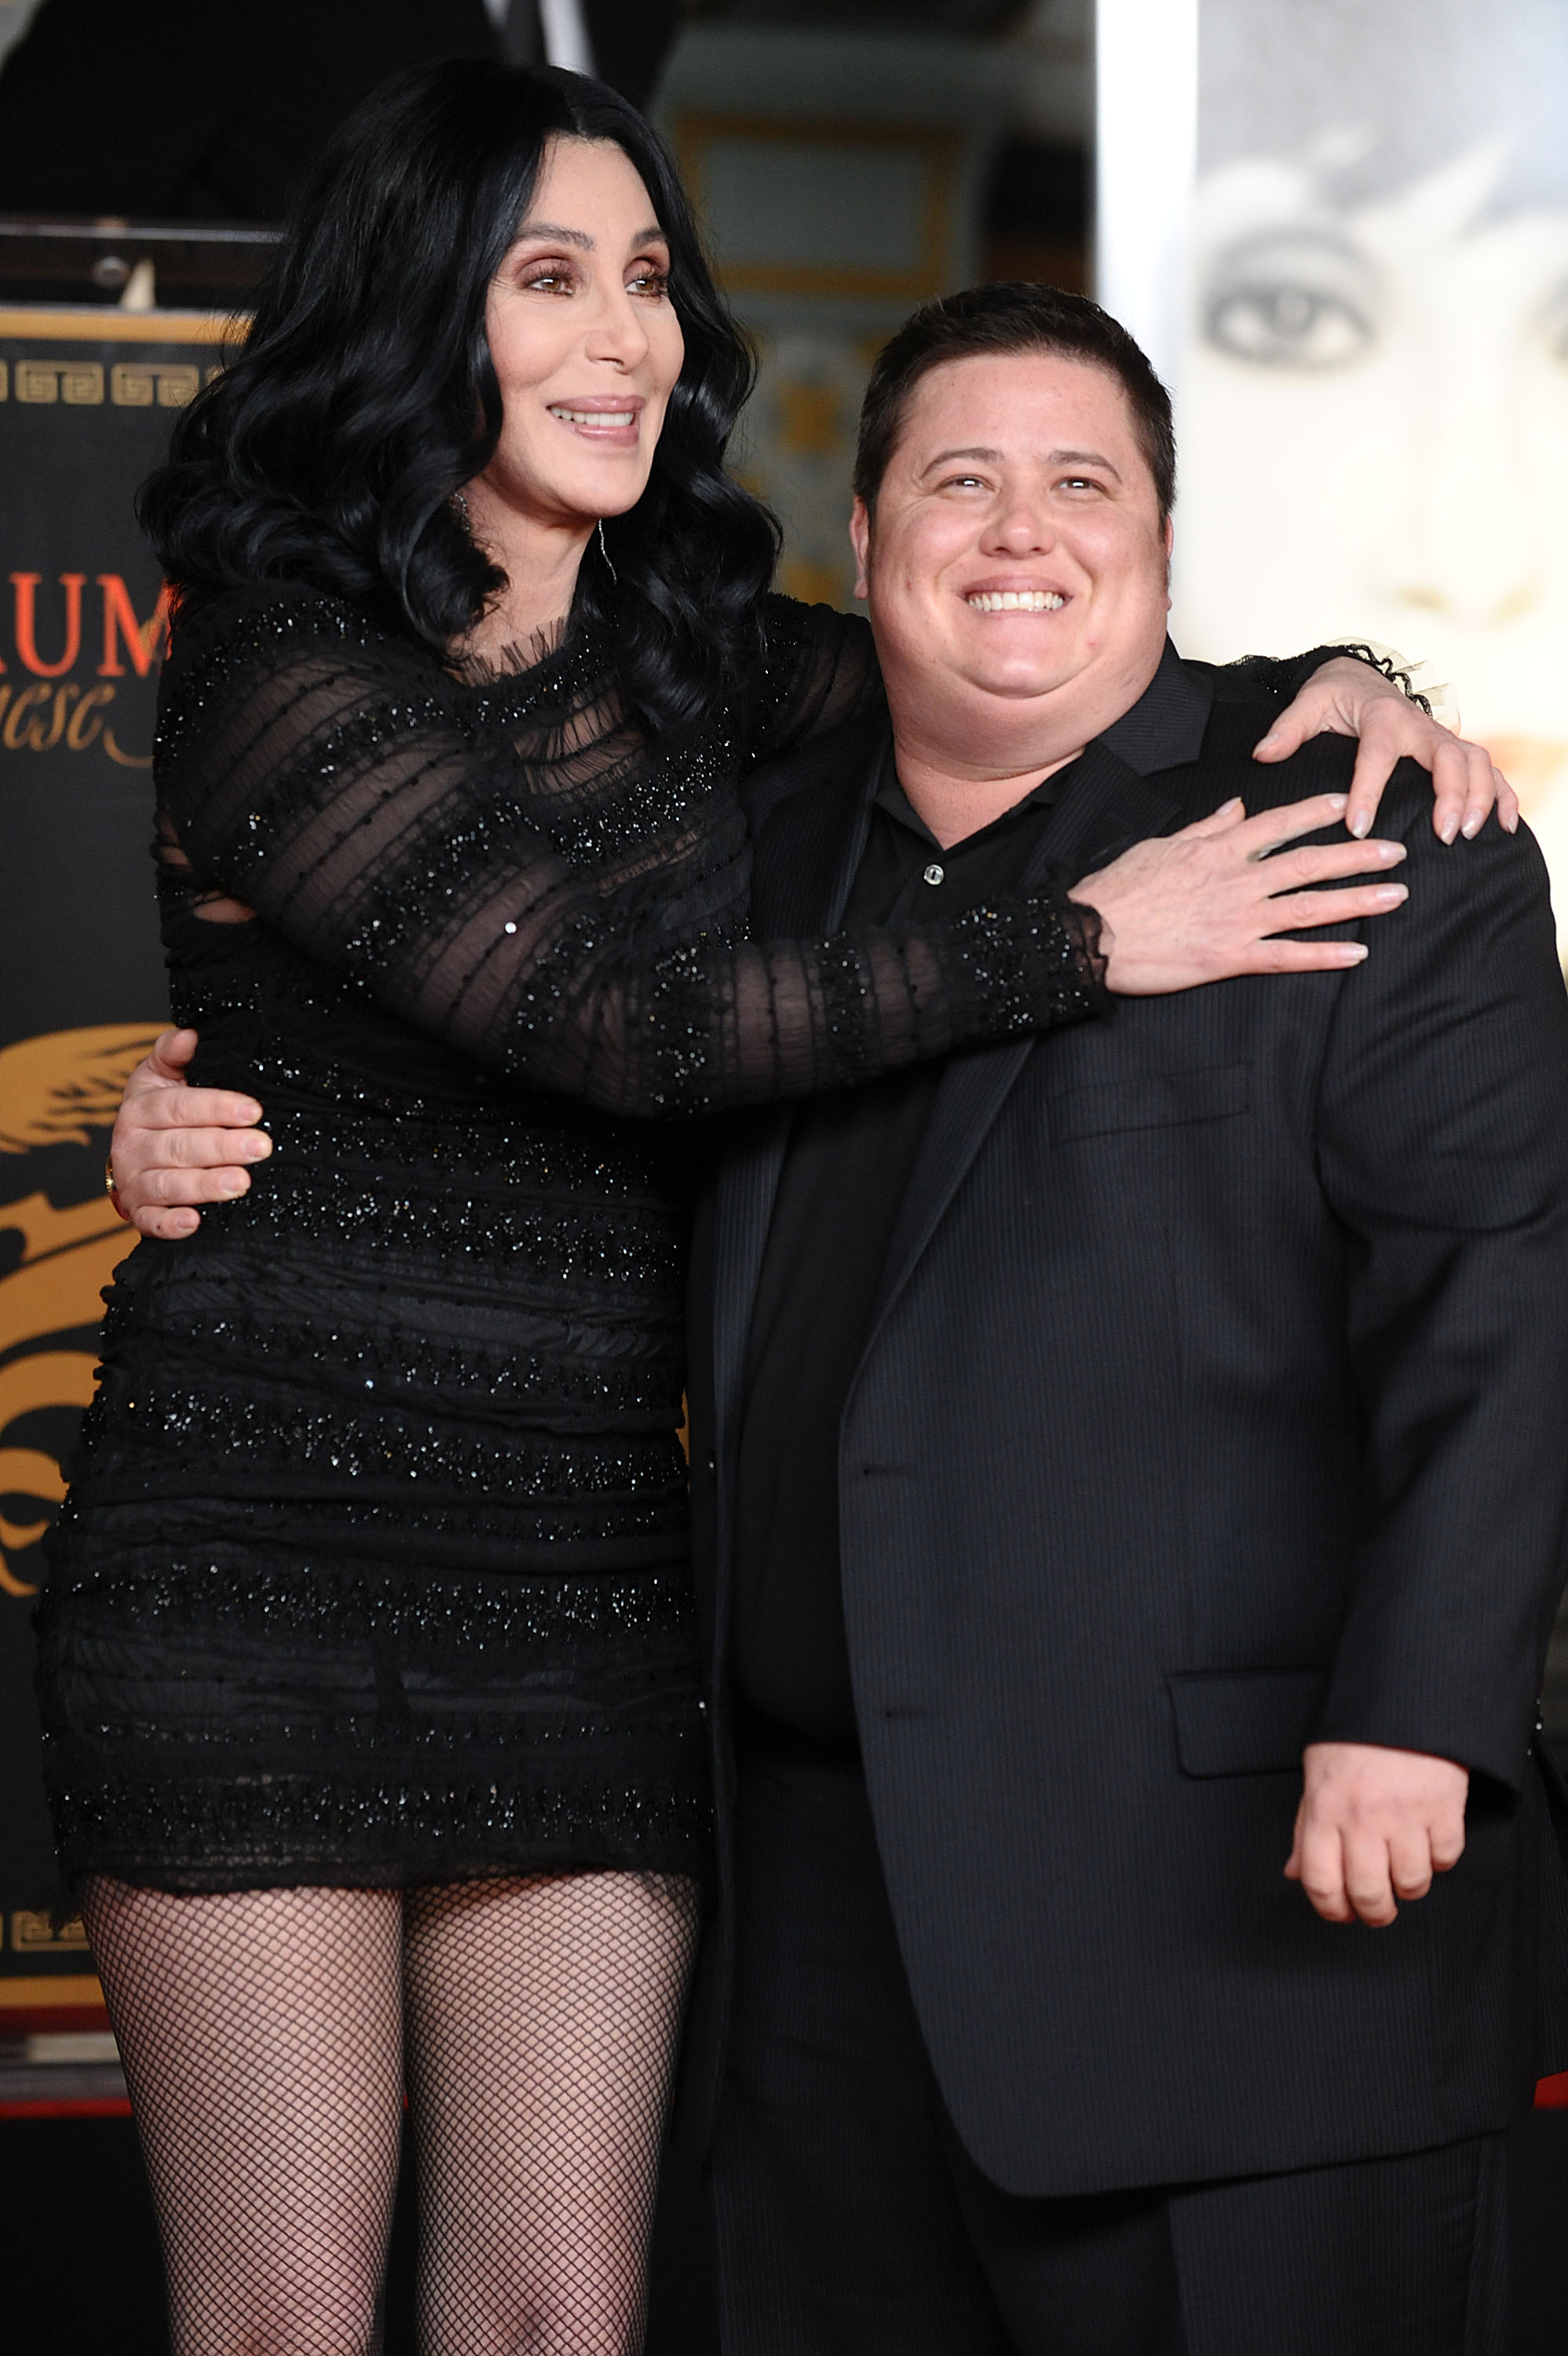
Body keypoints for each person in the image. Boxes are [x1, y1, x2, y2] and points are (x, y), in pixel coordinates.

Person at [35, 60, 1464, 2356]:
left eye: (650, 280)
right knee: (287, 2320)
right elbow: (618, 1018)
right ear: (417, 311)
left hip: (594, 1585)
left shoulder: (707, 661)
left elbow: (1027, 663)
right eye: (548, 279)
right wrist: (1088, 939)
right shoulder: (271, 662)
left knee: (557, 2322)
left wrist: (1349, 686)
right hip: (258, 1569)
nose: (629, 340)